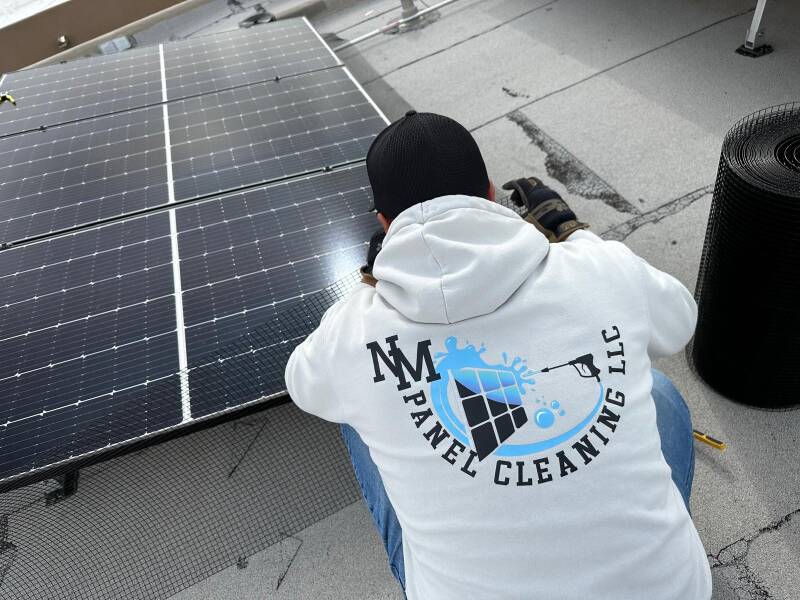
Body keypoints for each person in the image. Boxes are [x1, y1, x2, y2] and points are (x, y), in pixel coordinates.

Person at [285, 111, 711, 599]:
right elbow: (680, 322)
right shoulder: (599, 267)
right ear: (490, 193)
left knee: (355, 406)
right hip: (672, 592)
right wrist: (574, 235)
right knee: (658, 390)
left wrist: (370, 288)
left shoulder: (353, 334)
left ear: (384, 222)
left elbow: (304, 384)